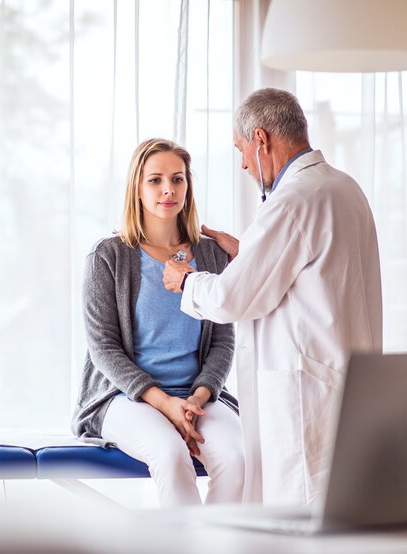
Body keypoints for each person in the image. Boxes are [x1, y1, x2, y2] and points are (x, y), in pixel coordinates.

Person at [163, 88, 383, 506]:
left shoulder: (292, 201)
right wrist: (249, 252)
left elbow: (231, 299)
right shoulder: (343, 187)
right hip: (346, 385)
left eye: (242, 151)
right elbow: (315, 271)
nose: (244, 163)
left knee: (299, 523)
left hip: (306, 398)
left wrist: (186, 281)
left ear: (261, 139)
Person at [72, 138, 245, 507]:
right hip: (126, 397)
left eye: (178, 179)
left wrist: (197, 398)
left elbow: (222, 341)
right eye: (155, 180)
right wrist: (165, 404)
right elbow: (103, 348)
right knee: (171, 457)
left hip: (198, 396)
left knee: (236, 459)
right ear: (137, 188)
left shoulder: (212, 253)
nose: (169, 189)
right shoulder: (108, 256)